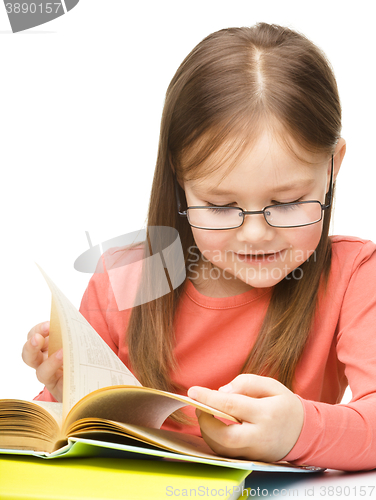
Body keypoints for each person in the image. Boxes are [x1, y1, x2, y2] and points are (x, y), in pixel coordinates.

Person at [22, 23, 376, 471]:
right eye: (221, 205)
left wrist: (297, 432)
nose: (254, 234)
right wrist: (59, 387)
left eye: (286, 203)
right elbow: (62, 433)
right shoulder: (127, 277)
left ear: (332, 167)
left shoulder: (353, 276)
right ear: (180, 179)